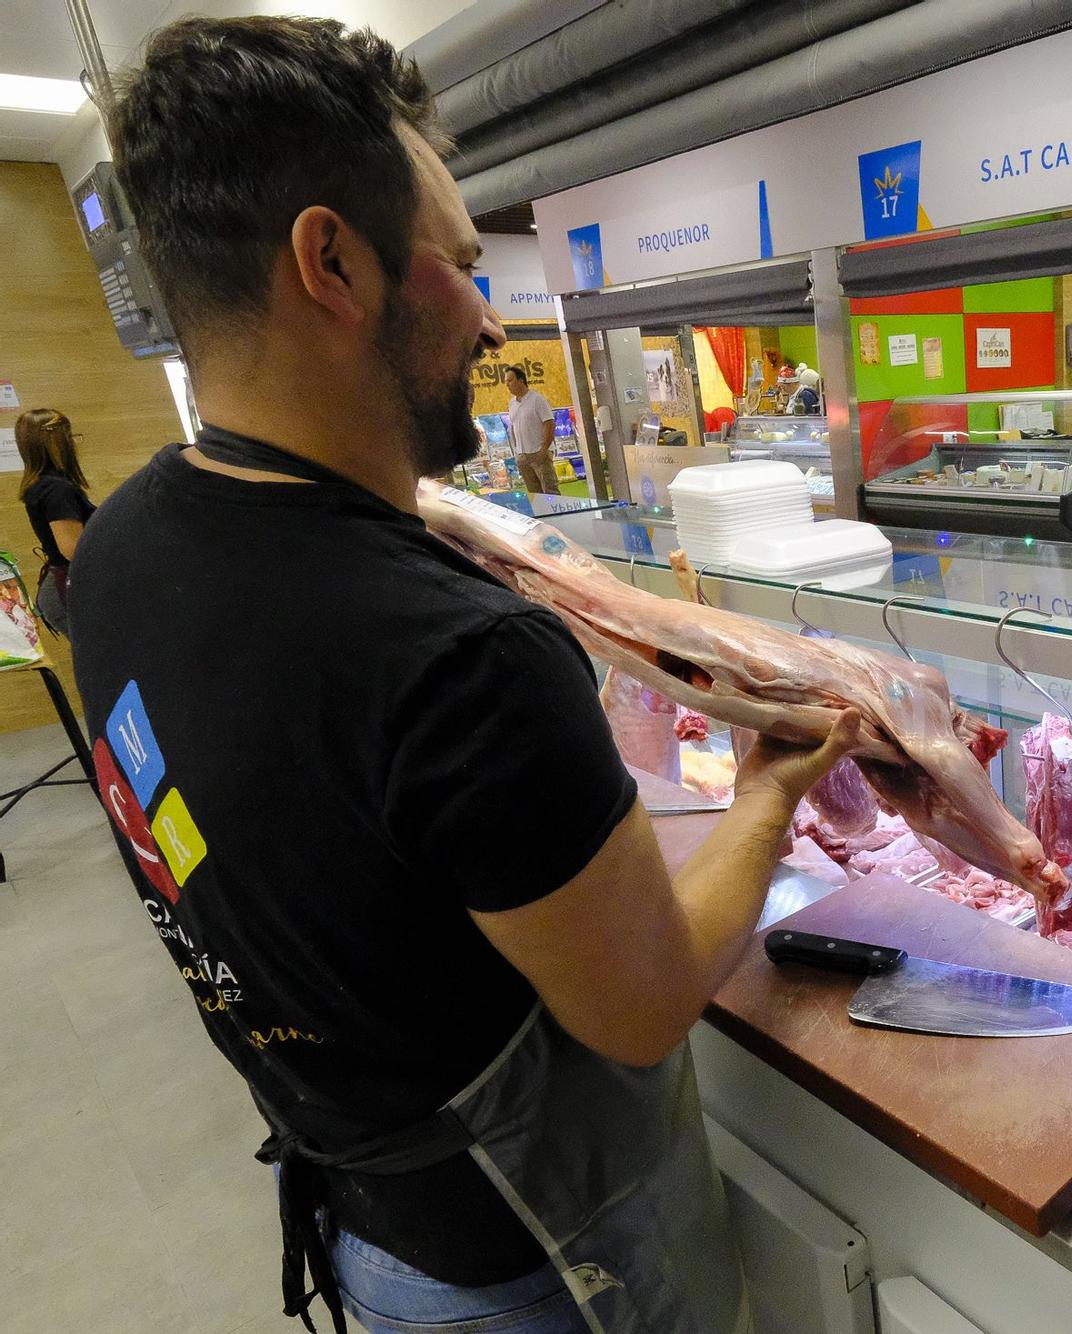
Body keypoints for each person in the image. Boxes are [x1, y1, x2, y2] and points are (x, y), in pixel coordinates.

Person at [75, 17, 857, 1333]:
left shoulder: (121, 546)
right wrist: (774, 789)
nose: (493, 310)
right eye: (453, 261)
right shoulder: (452, 652)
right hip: (541, 1274)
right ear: (333, 263)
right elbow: (645, 1002)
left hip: (372, 1232)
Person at [16, 407, 95, 636]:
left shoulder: (45, 485)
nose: (72, 443)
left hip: (62, 589)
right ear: (54, 441)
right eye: (69, 437)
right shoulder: (56, 489)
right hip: (67, 591)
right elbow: (73, 549)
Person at [503, 364, 560, 492]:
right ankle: (540, 512)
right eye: (506, 382)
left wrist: (543, 450)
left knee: (550, 491)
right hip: (523, 456)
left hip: (539, 453)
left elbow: (549, 423)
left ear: (521, 380)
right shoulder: (512, 403)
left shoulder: (537, 399)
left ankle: (556, 512)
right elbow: (513, 427)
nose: (507, 385)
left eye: (510, 381)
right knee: (534, 495)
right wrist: (517, 451)